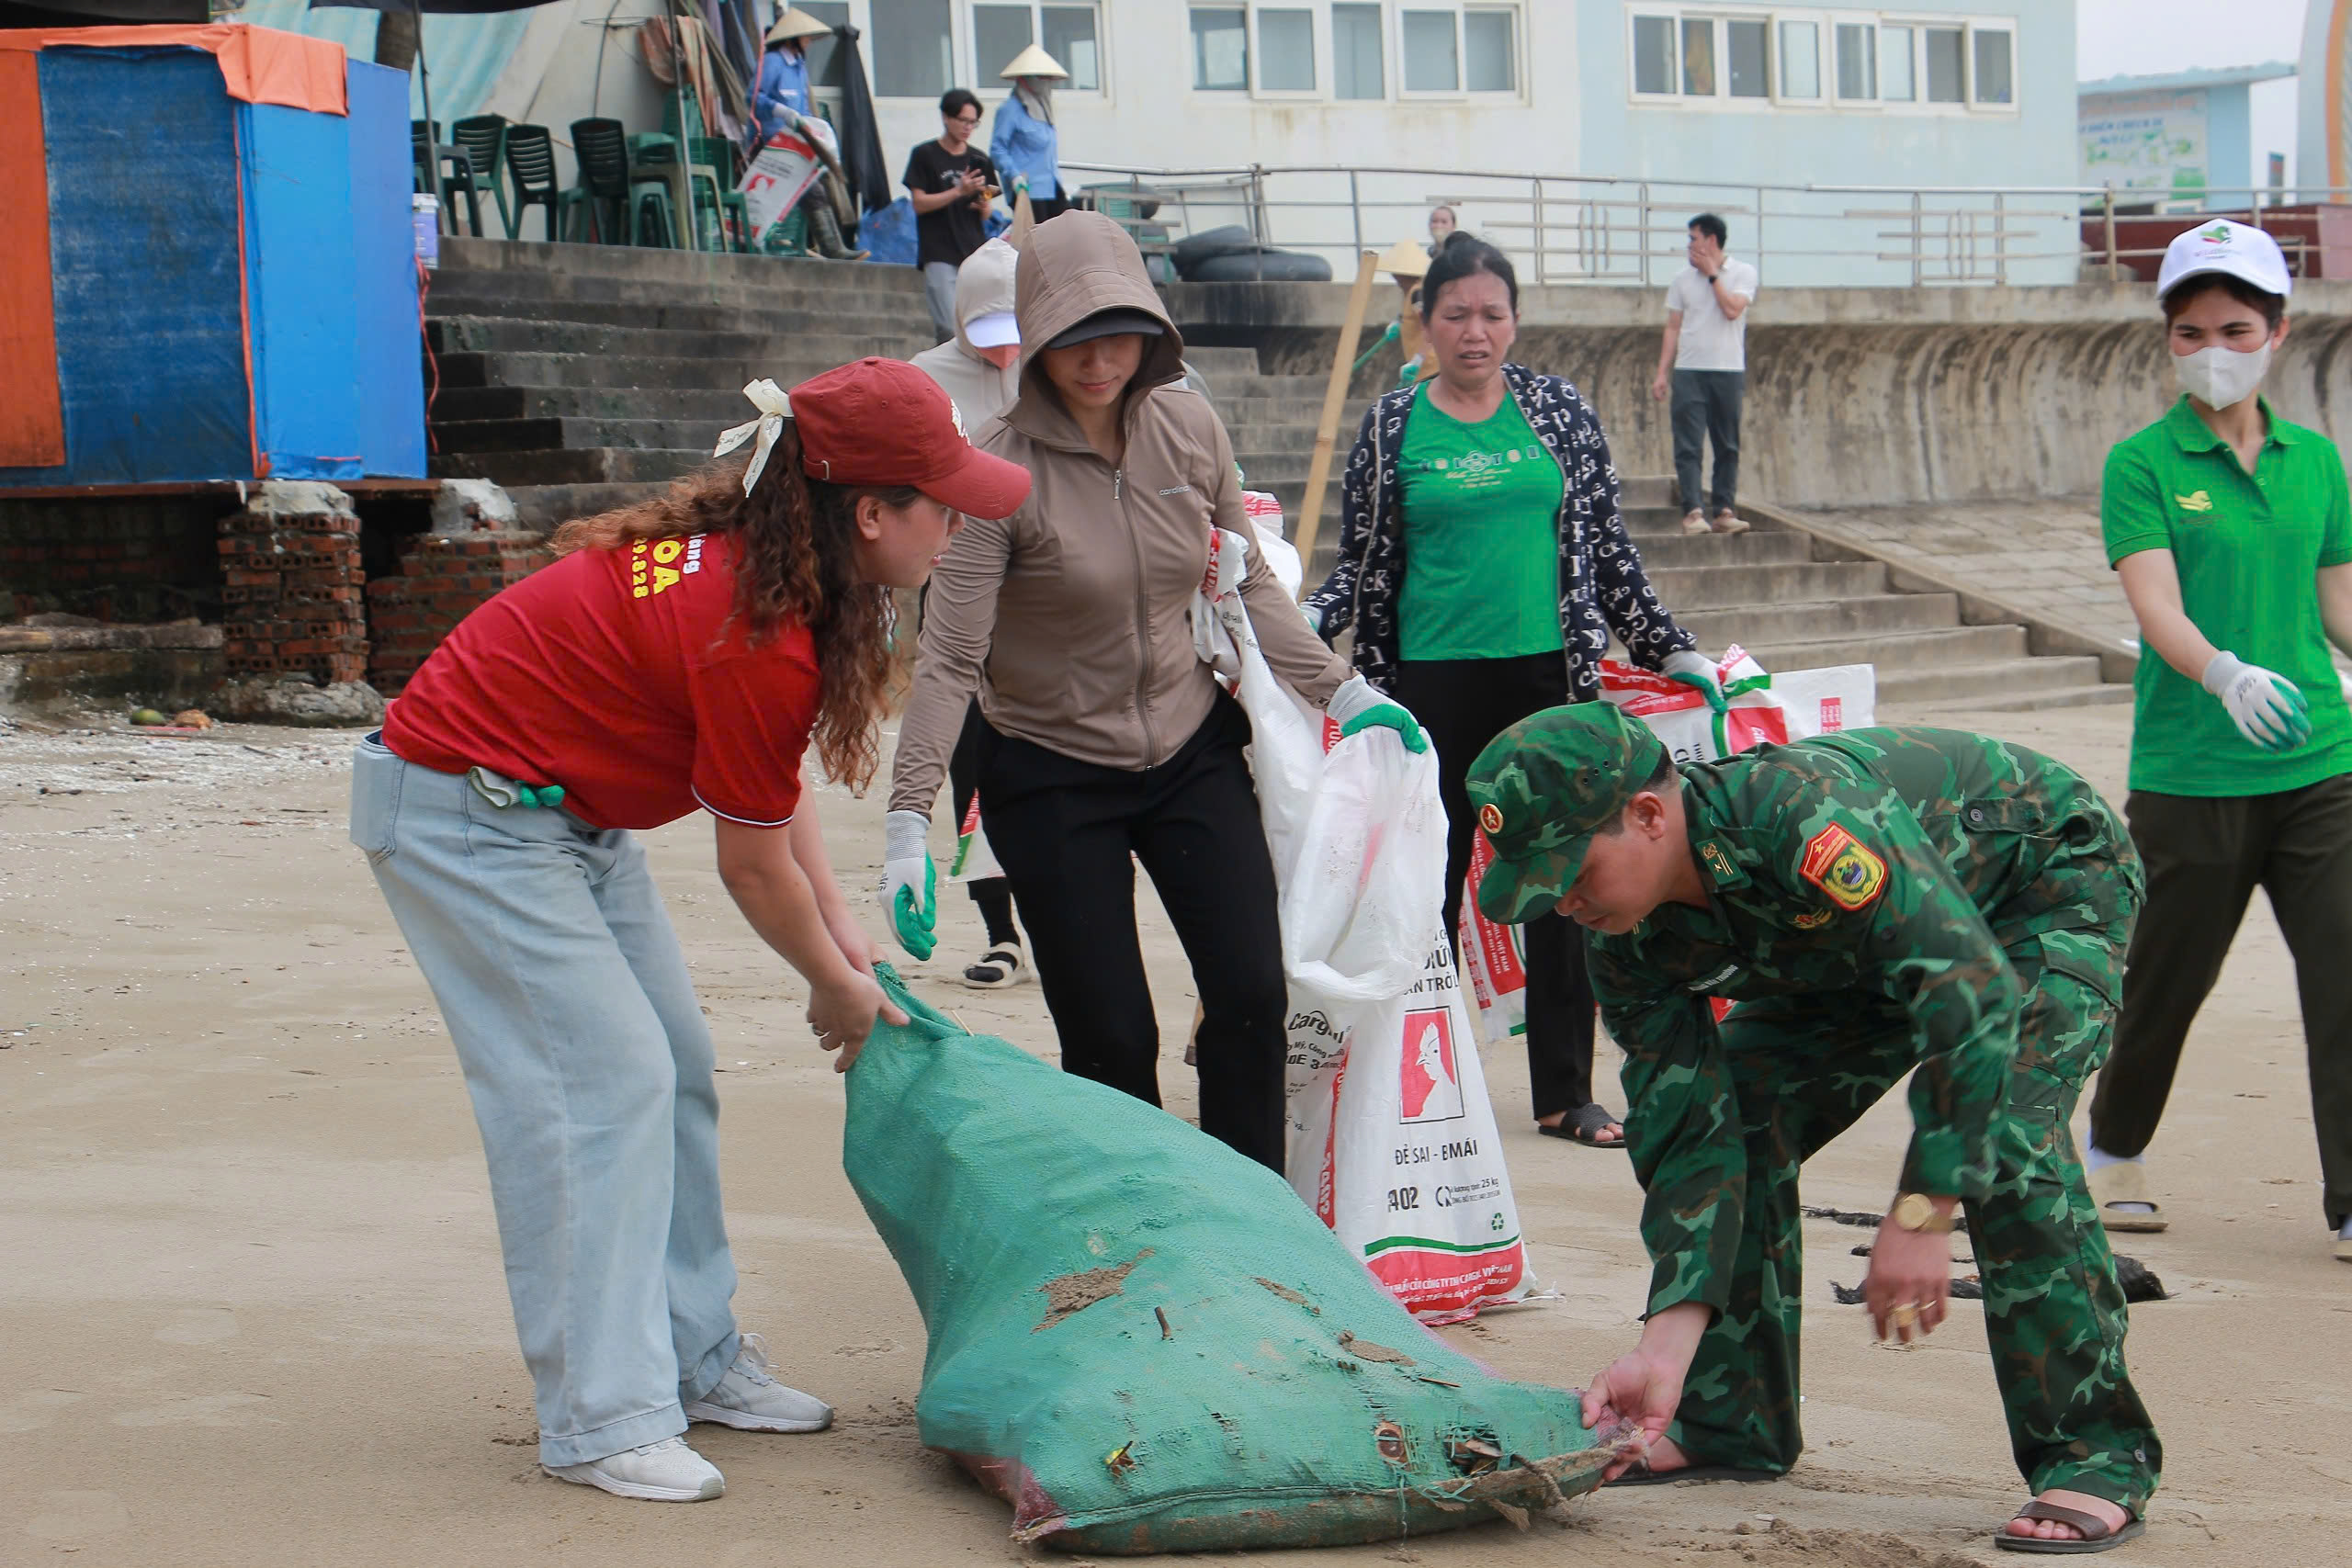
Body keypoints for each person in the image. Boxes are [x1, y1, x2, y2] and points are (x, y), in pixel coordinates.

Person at [350, 360, 1030, 1504]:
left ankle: (692, 1356)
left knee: (677, 1066)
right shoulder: (751, 625)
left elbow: (773, 794)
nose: (958, 525)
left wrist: (843, 925)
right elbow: (749, 865)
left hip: (566, 818)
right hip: (462, 814)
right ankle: (599, 1416)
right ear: (869, 512)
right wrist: (831, 983)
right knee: (599, 1090)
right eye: (941, 502)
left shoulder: (790, 580)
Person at [1468, 705, 2162, 1554]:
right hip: (1863, 953)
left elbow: (1967, 991)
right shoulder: (1624, 938)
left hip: (2039, 890)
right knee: (1744, 1113)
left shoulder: (1802, 819)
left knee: (2006, 1138)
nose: (1564, 902)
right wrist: (1664, 1341)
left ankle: (2095, 1454)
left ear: (1649, 816)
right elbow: (1690, 1130)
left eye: (1572, 870)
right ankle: (1731, 1416)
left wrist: (1921, 1209)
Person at [886, 210, 1424, 1172]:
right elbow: (948, 661)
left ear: (1150, 329)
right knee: (1111, 1038)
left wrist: (1341, 694)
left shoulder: (1187, 426)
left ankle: (1249, 1217)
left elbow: (1247, 578)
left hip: (1187, 751)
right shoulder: (996, 474)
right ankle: (1139, 1232)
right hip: (1049, 772)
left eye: (1118, 334)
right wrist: (904, 823)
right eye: (1073, 341)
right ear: (1038, 340)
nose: (1099, 362)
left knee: (1253, 995)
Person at [1303, 237, 1731, 1150]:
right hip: (1425, 690)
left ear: (1515, 321)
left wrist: (1671, 650)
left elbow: (1611, 558)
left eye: (1492, 314)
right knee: (1420, 891)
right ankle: (1417, 1080)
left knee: (1568, 883)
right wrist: (1299, 626)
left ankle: (1564, 1094)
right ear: (1427, 322)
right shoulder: (1390, 429)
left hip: (1549, 688)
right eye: (1455, 313)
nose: (1475, 332)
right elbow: (1363, 568)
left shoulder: (1559, 414)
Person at [2084, 218, 2352, 1265]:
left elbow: (2335, 603)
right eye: (2188, 331)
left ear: (2277, 333)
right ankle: (2112, 1151)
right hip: (2193, 767)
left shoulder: (2316, 463)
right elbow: (2155, 605)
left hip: (2319, 761)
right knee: (2166, 976)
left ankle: (2347, 1199)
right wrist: (2223, 672)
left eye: (2234, 327)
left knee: (2343, 973)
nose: (2211, 350)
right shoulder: (2142, 464)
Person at [908, 237, 1030, 988]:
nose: (1005, 351)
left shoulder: (1051, 370)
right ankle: (1000, 931)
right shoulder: (926, 381)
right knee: (971, 759)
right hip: (957, 586)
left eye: (1016, 331)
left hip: (1041, 597)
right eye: (988, 336)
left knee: (1046, 760)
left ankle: (1053, 915)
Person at [1652, 213, 1756, 537]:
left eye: (1694, 238)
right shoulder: (1682, 280)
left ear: (1711, 240)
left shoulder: (1743, 273)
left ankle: (1724, 510)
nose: (1689, 245)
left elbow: (1732, 309)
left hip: (1727, 370)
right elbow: (1672, 327)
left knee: (1727, 444)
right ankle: (1693, 512)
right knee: (1688, 445)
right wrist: (1661, 373)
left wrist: (1713, 276)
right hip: (1689, 370)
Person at [753, 8, 864, 261]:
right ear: (792, 38)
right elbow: (753, 98)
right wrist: (780, 111)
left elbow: (802, 108)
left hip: (795, 141)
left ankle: (829, 246)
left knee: (817, 184)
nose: (809, 42)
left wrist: (811, 126)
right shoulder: (772, 62)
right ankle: (831, 247)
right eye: (806, 37)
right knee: (812, 190)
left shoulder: (799, 68)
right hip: (770, 142)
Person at [903, 88, 999, 343]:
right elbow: (919, 203)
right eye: (963, 121)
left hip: (973, 251)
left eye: (973, 122)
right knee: (948, 328)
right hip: (938, 251)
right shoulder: (924, 155)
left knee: (977, 327)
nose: (968, 128)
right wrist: (959, 191)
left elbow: (988, 206)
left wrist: (983, 204)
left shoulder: (980, 160)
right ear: (946, 117)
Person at [990, 44, 1069, 224]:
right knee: (1037, 242)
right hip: (1027, 190)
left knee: (1066, 230)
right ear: (1027, 79)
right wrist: (1014, 175)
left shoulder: (1043, 107)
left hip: (1051, 187)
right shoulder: (1010, 109)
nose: (1045, 82)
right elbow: (997, 149)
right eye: (1041, 77)